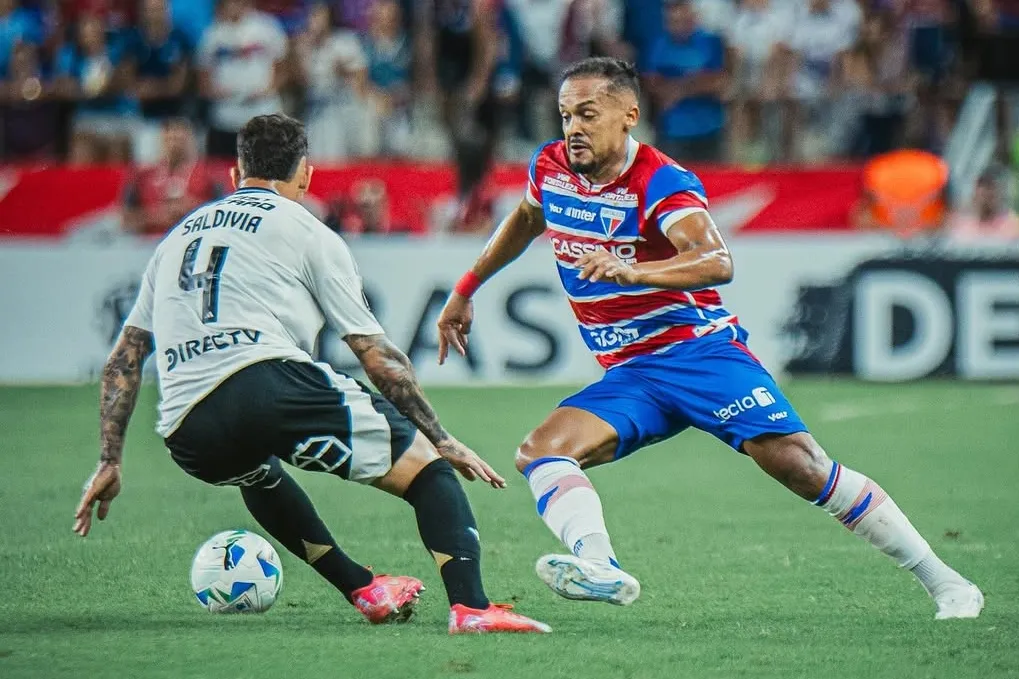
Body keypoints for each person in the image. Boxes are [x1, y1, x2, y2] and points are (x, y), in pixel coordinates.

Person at [435, 57, 984, 620]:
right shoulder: (550, 167)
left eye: (587, 114)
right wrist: (466, 286)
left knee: (802, 465)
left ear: (629, 115)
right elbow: (528, 219)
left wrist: (637, 271)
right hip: (633, 372)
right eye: (565, 115)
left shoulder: (659, 180)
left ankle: (949, 584)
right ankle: (602, 567)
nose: (573, 127)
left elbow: (716, 261)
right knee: (540, 452)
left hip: (699, 353)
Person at [73, 113, 550, 635]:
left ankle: (364, 588)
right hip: (263, 383)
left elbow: (125, 356)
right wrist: (439, 438)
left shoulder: (177, 238)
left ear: (234, 175)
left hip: (187, 428)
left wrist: (108, 459)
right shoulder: (304, 228)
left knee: (256, 470)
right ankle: (472, 607)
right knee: (429, 471)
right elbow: (376, 354)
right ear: (305, 175)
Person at [197, 0, 287, 159]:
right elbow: (203, 79)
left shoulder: (267, 27)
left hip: (262, 114)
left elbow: (284, 66)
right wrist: (217, 92)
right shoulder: (213, 34)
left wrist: (268, 89)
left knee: (265, 171)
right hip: (225, 118)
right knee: (224, 174)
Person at [644, 0, 728, 163]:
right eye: (672, 22)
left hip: (709, 130)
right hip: (672, 132)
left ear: (692, 17)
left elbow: (718, 82)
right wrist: (697, 82)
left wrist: (677, 90)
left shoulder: (710, 42)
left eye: (681, 21)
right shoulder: (658, 44)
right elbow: (651, 83)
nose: (676, 26)